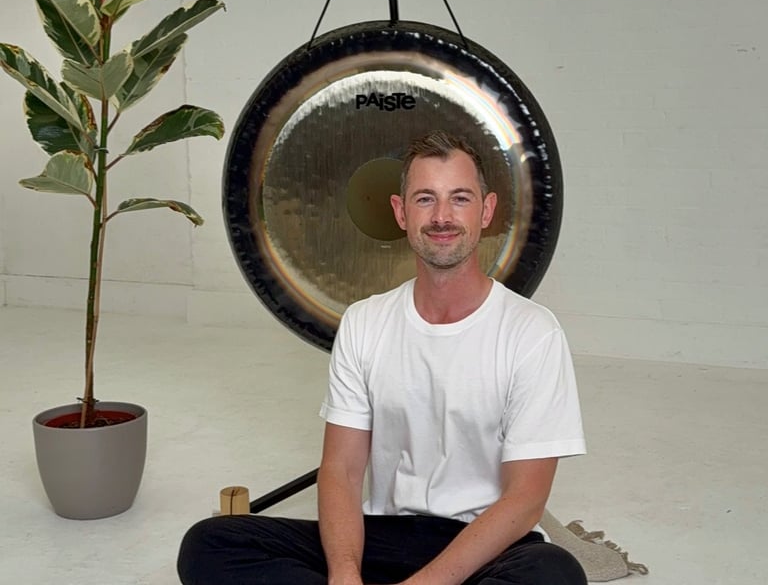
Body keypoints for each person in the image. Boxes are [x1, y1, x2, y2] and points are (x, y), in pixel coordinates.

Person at [177, 130, 587, 584]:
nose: (443, 216)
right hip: (384, 536)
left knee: (555, 574)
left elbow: (525, 499)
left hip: (484, 545)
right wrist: (346, 572)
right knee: (209, 544)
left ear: (486, 211)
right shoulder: (365, 322)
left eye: (460, 199)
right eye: (425, 199)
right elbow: (343, 470)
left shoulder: (532, 332)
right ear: (400, 212)